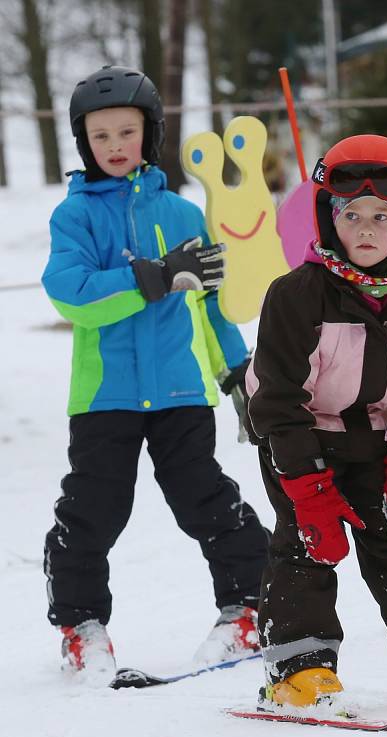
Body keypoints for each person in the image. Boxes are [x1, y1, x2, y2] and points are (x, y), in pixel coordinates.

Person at [42, 65, 269, 683]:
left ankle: (249, 610)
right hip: (104, 397)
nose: (115, 146)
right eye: (100, 136)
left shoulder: (185, 215)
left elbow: (214, 307)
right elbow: (72, 294)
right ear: (83, 142)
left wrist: (241, 372)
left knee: (208, 502)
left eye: (127, 131)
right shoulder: (76, 218)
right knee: (94, 509)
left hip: (180, 393)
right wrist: (152, 277)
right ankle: (81, 627)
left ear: (152, 134)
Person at [245, 133, 387, 709]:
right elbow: (276, 402)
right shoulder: (296, 295)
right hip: (301, 437)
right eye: (352, 215)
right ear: (328, 217)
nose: (367, 229)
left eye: (382, 215)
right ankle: (298, 670)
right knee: (307, 545)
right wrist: (309, 487)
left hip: (379, 439)